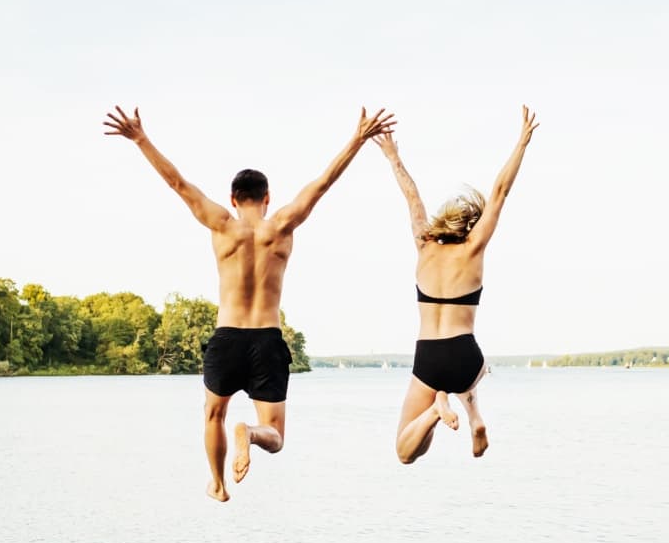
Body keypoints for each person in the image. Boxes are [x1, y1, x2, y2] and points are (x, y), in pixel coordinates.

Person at [104, 105, 396, 501]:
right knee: (275, 436)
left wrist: (140, 139)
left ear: (233, 198)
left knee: (213, 415)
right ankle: (251, 434)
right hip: (267, 339)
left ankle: (219, 484)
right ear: (268, 197)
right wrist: (358, 139)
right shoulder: (282, 224)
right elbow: (323, 183)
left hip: (227, 338)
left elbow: (177, 183)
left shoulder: (221, 223)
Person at [373, 106, 538, 464]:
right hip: (466, 354)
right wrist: (522, 142)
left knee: (406, 451)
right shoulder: (474, 249)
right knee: (477, 370)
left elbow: (412, 196)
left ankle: (435, 411)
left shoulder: (423, 245)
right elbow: (500, 192)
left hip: (429, 356)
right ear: (469, 228)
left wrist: (392, 156)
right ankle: (474, 415)